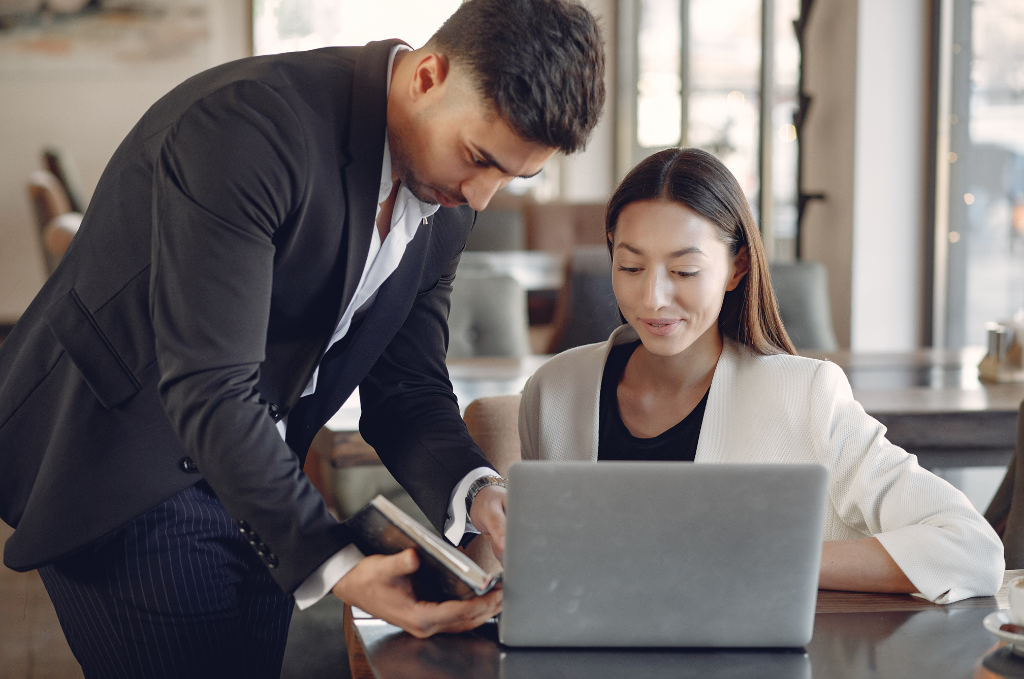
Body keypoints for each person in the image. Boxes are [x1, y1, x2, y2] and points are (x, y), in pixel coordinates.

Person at [0, 0, 605, 676]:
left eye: (513, 177)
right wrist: (336, 561)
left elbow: (406, 384)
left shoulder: (448, 198)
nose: (484, 196)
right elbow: (210, 386)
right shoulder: (248, 127)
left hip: (256, 461)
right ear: (429, 75)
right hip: (124, 450)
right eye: (479, 158)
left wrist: (479, 489)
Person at [518, 147, 1004, 603]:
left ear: (737, 268)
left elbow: (970, 549)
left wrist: (770, 558)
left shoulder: (806, 395)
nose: (652, 298)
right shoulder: (555, 393)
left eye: (684, 272)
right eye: (630, 266)